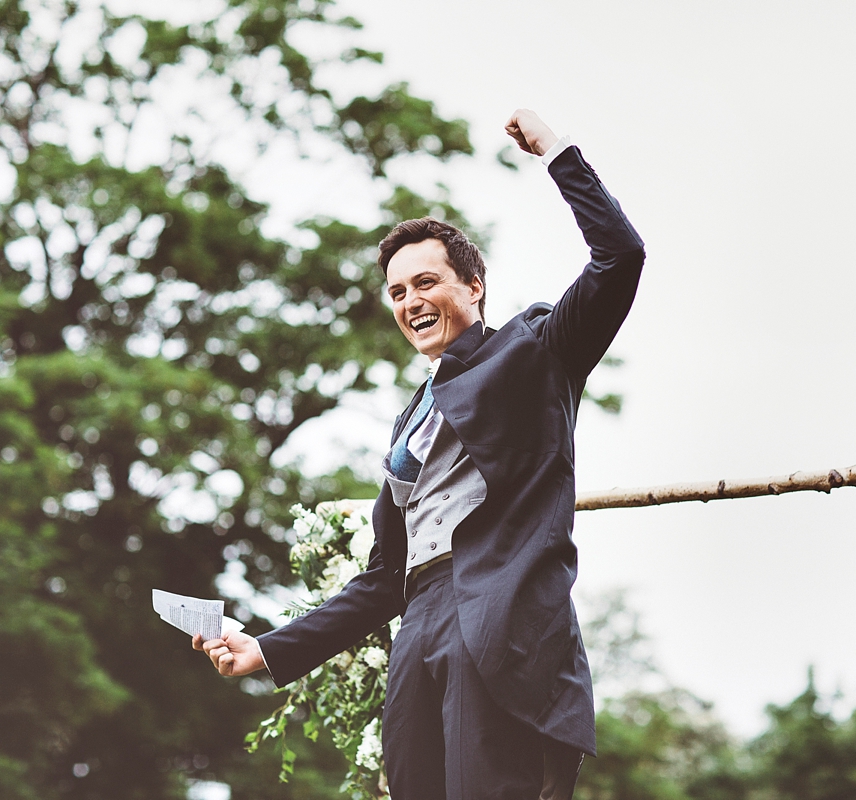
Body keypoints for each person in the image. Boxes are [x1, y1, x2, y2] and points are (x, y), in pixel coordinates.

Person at [194, 108, 645, 800]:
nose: (411, 302)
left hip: (497, 615)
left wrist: (555, 151)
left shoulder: (535, 350)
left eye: (427, 282)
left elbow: (620, 257)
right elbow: (381, 580)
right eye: (398, 292)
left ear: (474, 285)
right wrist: (266, 650)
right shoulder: (413, 414)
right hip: (418, 623)